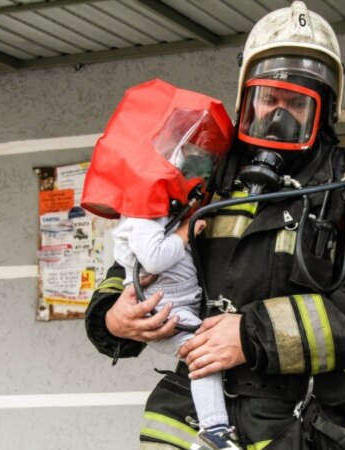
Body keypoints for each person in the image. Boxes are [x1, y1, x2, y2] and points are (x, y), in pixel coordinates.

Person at [85, 2, 345, 449]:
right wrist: (113, 316)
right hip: (190, 422)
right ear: (246, 97)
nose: (279, 114)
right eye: (268, 98)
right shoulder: (200, 168)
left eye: (297, 102)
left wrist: (249, 334)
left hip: (301, 425)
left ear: (325, 108)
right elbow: (137, 251)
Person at [80, 80, 240, 449]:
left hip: (267, 397)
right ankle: (214, 431)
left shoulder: (192, 193)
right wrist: (111, 318)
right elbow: (131, 270)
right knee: (204, 355)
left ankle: (213, 432)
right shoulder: (150, 209)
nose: (189, 160)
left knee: (204, 354)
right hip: (176, 325)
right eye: (184, 148)